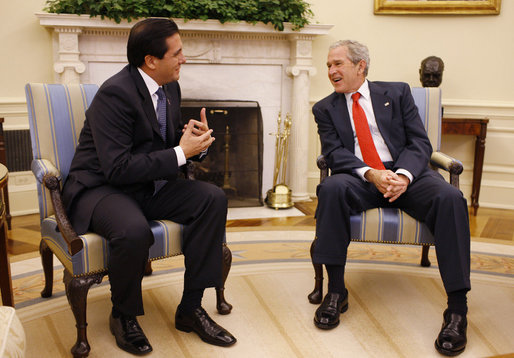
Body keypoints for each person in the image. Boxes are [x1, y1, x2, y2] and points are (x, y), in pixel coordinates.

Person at [62, 18, 237, 355]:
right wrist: (179, 152)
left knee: (212, 199)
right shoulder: (115, 94)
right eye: (178, 53)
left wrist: (194, 142)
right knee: (132, 231)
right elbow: (117, 167)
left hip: (145, 184)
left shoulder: (169, 86)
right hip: (102, 188)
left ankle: (191, 308)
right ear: (151, 60)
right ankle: (123, 316)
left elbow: (164, 141)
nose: (184, 59)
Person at [311, 40, 470, 356]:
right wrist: (371, 174)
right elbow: (334, 153)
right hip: (361, 178)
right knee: (330, 189)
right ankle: (336, 291)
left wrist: (403, 176)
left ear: (360, 66)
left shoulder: (397, 93)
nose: (331, 71)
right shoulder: (324, 108)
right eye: (328, 65)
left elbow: (419, 143)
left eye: (337, 64)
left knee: (451, 198)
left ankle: (456, 310)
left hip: (407, 174)